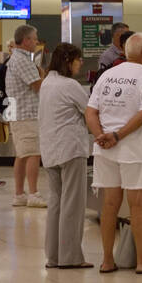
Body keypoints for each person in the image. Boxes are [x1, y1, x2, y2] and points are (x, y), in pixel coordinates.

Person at [87, 32, 142, 274]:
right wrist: (118, 136)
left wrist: (101, 135)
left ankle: (107, 260)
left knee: (109, 205)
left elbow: (90, 111)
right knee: (138, 206)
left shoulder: (108, 75)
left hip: (104, 151)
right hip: (133, 151)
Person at [39, 43, 92, 269]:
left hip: (50, 150)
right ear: (68, 61)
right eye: (78, 60)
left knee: (56, 203)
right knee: (73, 204)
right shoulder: (70, 85)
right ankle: (70, 257)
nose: (80, 64)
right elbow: (90, 110)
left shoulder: (46, 83)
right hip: (71, 149)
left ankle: (54, 256)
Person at [6, 25, 47, 208]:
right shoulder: (22, 60)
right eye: (34, 38)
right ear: (26, 40)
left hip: (19, 113)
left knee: (22, 154)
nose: (36, 41)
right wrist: (44, 77)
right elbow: (38, 85)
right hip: (27, 114)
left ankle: (19, 194)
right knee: (32, 153)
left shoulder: (15, 59)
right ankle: (33, 193)